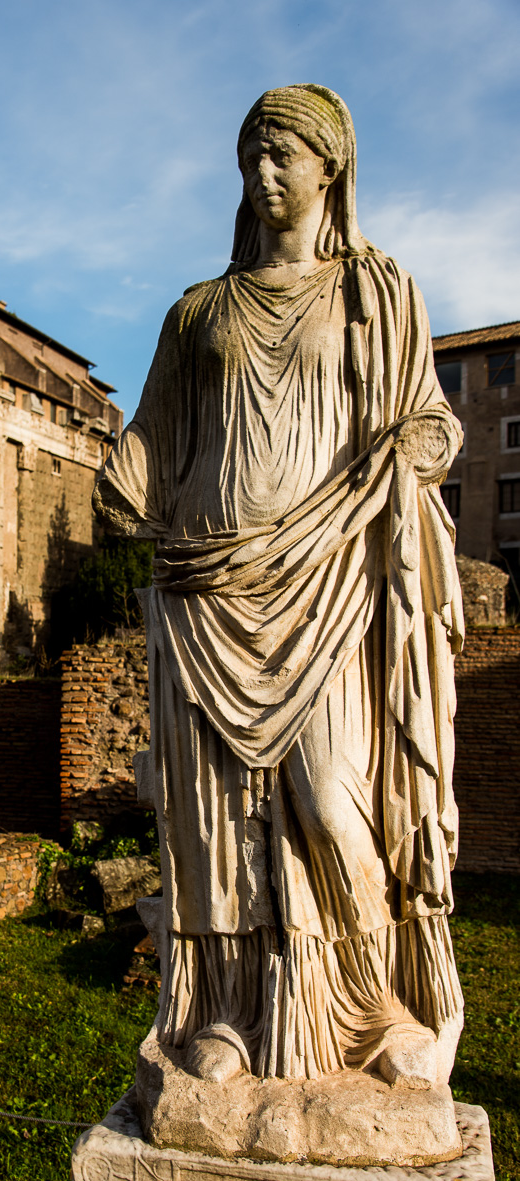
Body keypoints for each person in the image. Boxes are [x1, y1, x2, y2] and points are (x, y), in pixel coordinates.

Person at [93, 84, 464, 1089]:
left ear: (329, 168)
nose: (263, 176)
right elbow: (150, 437)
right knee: (213, 816)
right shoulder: (197, 311)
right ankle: (221, 1014)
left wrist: (426, 442)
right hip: (208, 586)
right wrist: (119, 485)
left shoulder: (376, 290)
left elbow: (423, 410)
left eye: (283, 157)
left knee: (334, 800)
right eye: (251, 157)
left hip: (326, 576)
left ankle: (372, 1010)